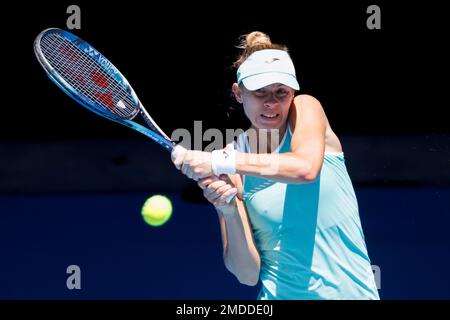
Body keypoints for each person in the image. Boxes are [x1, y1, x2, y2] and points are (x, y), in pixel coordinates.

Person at [171, 31, 379, 300]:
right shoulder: (230, 159)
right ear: (238, 92)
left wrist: (218, 161)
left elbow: (304, 168)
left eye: (281, 92)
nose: (271, 103)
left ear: (293, 92)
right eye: (260, 92)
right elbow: (247, 274)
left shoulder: (306, 108)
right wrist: (229, 209)